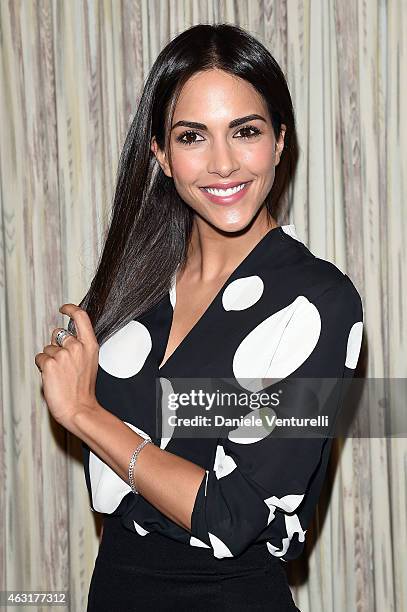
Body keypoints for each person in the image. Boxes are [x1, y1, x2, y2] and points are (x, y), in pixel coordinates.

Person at [34, 23, 364, 611]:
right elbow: (114, 496)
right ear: (159, 153)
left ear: (280, 141)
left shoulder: (317, 304)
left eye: (245, 131)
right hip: (114, 590)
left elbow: (234, 513)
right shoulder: (129, 290)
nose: (223, 163)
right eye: (192, 137)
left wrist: (83, 413)